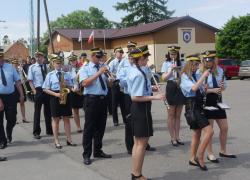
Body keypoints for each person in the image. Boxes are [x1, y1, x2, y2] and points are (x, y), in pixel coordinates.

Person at [127, 46, 165, 180]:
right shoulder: (138, 74)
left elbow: (138, 89)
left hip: (139, 108)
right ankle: (137, 175)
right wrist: (156, 97)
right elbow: (135, 96)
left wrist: (151, 87)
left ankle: (135, 172)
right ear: (139, 59)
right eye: (145, 58)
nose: (147, 59)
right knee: (141, 143)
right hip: (140, 108)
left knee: (138, 143)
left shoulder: (136, 70)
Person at [200, 50, 236, 162]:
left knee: (224, 128)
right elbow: (200, 89)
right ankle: (210, 153)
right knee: (210, 130)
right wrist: (211, 90)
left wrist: (222, 87)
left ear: (214, 60)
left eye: (210, 60)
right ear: (204, 61)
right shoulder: (200, 72)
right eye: (206, 60)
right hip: (207, 101)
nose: (208, 62)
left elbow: (224, 86)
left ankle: (223, 150)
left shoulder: (219, 70)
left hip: (218, 100)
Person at [180, 54, 213, 171]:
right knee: (209, 131)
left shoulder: (194, 76)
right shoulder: (185, 76)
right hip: (192, 107)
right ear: (189, 65)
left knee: (197, 134)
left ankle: (192, 158)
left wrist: (204, 87)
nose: (196, 67)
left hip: (198, 106)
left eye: (197, 65)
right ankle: (200, 156)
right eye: (194, 65)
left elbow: (198, 88)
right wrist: (203, 77)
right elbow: (193, 88)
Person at [79, 48, 112, 165]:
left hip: (103, 100)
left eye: (101, 57)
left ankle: (97, 150)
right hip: (91, 100)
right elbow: (84, 83)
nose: (100, 59)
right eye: (98, 57)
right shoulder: (85, 68)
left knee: (101, 127)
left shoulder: (102, 67)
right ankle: (86, 154)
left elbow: (106, 84)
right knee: (89, 128)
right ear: (92, 56)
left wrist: (110, 79)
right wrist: (99, 73)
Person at [43, 55, 76, 149]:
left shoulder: (66, 74)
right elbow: (45, 89)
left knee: (67, 119)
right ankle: (56, 141)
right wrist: (56, 94)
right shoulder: (50, 75)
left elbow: (71, 87)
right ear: (53, 64)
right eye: (57, 63)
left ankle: (69, 139)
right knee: (56, 119)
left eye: (60, 63)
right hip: (55, 96)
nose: (58, 65)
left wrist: (69, 87)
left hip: (65, 95)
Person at [161, 46, 185, 146]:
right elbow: (163, 78)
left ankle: (178, 136)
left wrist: (178, 70)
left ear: (177, 54)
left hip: (180, 87)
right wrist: (171, 70)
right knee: (171, 114)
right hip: (171, 86)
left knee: (178, 115)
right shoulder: (166, 63)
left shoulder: (182, 63)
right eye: (171, 54)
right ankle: (172, 137)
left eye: (174, 54)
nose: (173, 56)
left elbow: (185, 77)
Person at [0, 49, 25, 148]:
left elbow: (18, 81)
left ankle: (9, 131)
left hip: (11, 96)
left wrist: (22, 94)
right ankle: (2, 140)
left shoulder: (10, 67)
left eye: (1, 57)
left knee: (12, 119)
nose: (0, 59)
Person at [28, 51, 53, 139]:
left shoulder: (48, 66)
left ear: (43, 57)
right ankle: (36, 132)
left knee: (48, 111)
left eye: (40, 56)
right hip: (38, 90)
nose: (38, 58)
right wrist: (34, 90)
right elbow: (30, 80)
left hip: (47, 90)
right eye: (37, 57)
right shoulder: (32, 67)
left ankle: (49, 130)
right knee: (37, 112)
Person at [108, 47, 126, 126]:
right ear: (115, 53)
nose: (121, 53)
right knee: (114, 103)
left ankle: (125, 119)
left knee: (123, 103)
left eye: (121, 52)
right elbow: (109, 72)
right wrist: (115, 76)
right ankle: (115, 120)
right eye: (119, 52)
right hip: (115, 83)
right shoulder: (112, 63)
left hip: (123, 83)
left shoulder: (125, 62)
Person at [68, 54, 83, 133]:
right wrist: (72, 89)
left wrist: (81, 88)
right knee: (75, 110)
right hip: (73, 91)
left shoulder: (81, 68)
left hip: (82, 90)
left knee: (86, 109)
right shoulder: (68, 70)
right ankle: (78, 127)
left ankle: (89, 125)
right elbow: (67, 82)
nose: (73, 62)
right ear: (69, 62)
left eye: (74, 60)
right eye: (71, 60)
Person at [11, 59, 29, 124]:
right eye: (14, 64)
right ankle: (15, 119)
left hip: (21, 86)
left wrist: (24, 79)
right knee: (14, 104)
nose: (15, 65)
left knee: (22, 103)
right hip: (14, 87)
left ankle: (24, 118)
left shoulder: (20, 70)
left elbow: (24, 77)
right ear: (12, 64)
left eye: (16, 63)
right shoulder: (11, 71)